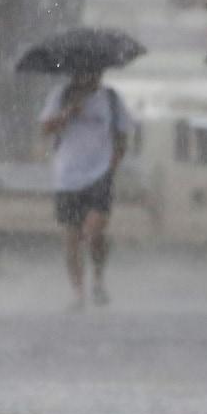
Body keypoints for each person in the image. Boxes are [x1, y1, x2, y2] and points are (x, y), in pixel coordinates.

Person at [39, 68, 133, 309]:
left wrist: (114, 163)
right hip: (67, 177)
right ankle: (78, 293)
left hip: (100, 173)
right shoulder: (60, 96)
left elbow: (122, 135)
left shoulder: (111, 99)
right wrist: (68, 113)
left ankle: (99, 281)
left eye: (94, 70)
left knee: (94, 232)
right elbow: (45, 128)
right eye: (85, 69)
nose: (91, 75)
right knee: (71, 239)